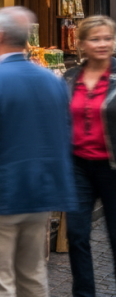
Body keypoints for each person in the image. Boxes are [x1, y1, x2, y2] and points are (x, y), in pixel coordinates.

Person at [0, 7, 76, 297]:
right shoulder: (51, 79)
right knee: (32, 275)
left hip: (1, 192)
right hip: (40, 192)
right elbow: (64, 134)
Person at [63, 16, 116, 297]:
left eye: (108, 38)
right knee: (77, 234)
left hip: (112, 167)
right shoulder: (70, 77)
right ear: (81, 44)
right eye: (95, 39)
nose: (103, 44)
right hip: (78, 166)